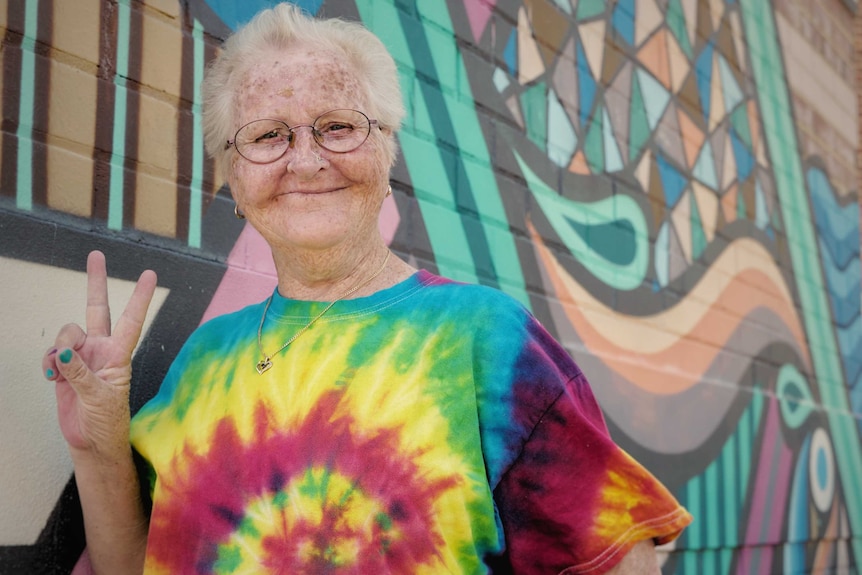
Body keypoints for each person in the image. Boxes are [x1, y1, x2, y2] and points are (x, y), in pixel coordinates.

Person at [43, 4, 692, 574]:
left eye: (338, 125)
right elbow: (130, 564)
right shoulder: (202, 363)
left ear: (387, 154)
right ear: (234, 180)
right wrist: (99, 443)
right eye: (268, 135)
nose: (305, 158)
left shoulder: (486, 340)